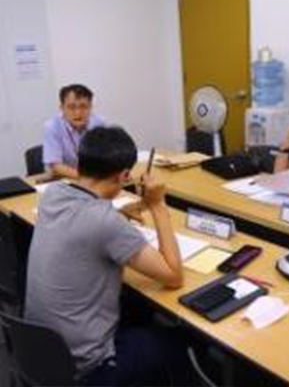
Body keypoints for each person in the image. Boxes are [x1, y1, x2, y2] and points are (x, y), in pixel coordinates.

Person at [25, 126, 194, 386]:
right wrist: (158, 205)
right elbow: (173, 276)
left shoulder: (53, 194)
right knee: (177, 340)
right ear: (125, 176)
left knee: (136, 308)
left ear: (80, 163)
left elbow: (84, 220)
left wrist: (119, 214)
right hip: (86, 369)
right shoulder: (105, 222)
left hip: (40, 352)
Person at [43, 84, 104, 179]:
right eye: (71, 107)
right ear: (62, 108)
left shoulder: (99, 123)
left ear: (90, 107)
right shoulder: (52, 127)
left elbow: (107, 155)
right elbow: (55, 165)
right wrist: (86, 178)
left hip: (94, 177)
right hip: (63, 178)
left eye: (83, 106)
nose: (78, 113)